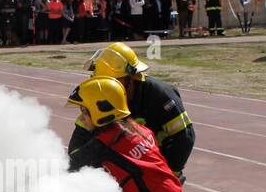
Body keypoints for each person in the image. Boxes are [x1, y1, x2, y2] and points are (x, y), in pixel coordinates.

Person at [67, 42, 195, 181]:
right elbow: (78, 145)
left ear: (131, 78)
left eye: (113, 82)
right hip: (120, 173)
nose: (108, 88)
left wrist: (167, 175)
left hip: (157, 168)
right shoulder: (101, 96)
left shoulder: (160, 95)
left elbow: (184, 137)